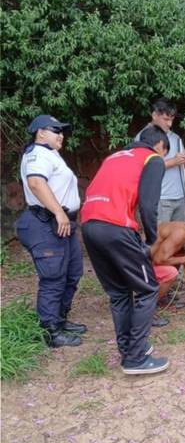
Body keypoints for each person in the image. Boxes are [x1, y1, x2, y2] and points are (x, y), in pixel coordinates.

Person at [80, 126, 171, 376]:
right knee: (147, 288)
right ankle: (136, 358)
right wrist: (152, 240)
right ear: (160, 147)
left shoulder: (114, 157)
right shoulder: (152, 158)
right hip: (116, 228)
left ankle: (128, 349)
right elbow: (149, 205)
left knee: (119, 293)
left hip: (89, 225)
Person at [15, 115, 86, 348]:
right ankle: (50, 332)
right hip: (45, 223)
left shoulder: (51, 154)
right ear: (40, 133)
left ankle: (60, 320)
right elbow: (36, 183)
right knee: (53, 278)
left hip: (61, 225)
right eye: (56, 130)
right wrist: (58, 211)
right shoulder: (37, 154)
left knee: (73, 272)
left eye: (62, 131)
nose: (61, 134)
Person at [135, 98, 185, 223]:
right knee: (158, 240)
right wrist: (174, 161)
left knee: (178, 240)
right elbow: (143, 168)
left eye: (172, 120)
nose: (170, 124)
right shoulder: (143, 137)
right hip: (158, 199)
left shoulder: (175, 137)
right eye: (166, 119)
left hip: (180, 197)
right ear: (154, 115)